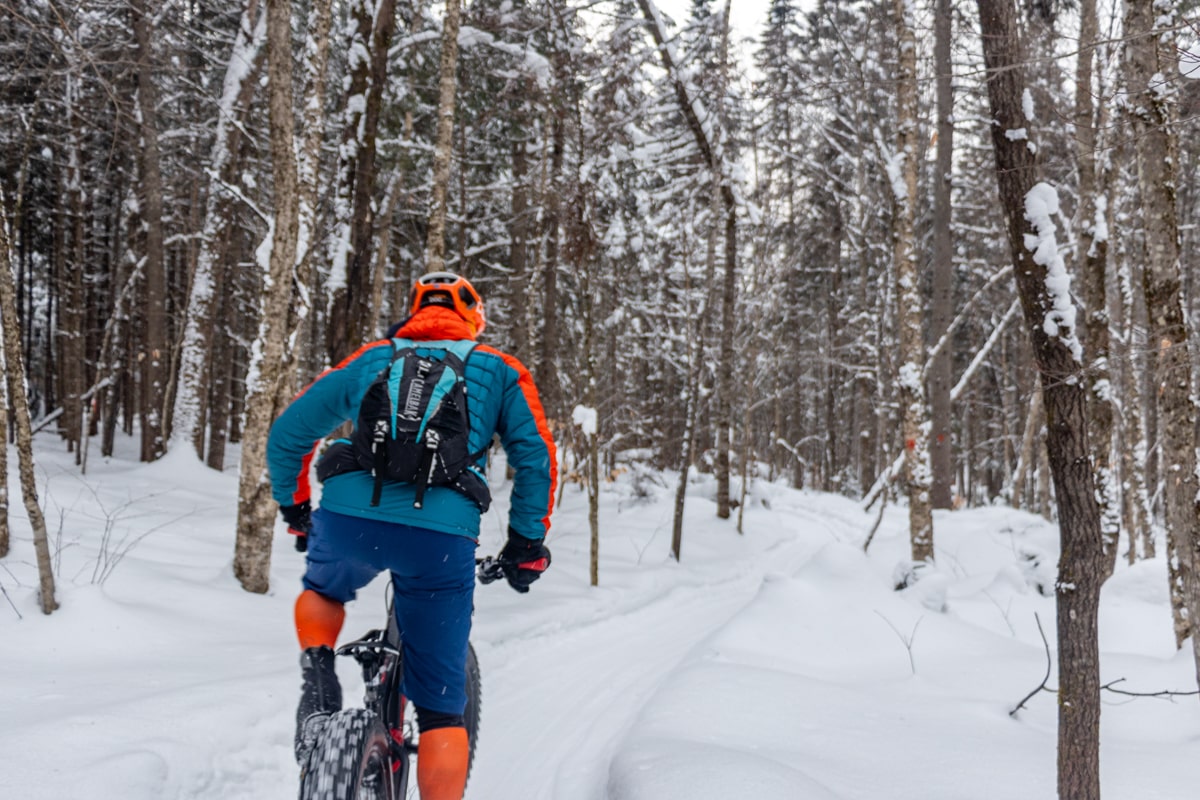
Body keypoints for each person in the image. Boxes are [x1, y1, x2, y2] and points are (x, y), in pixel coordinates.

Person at [267, 271, 557, 800]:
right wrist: (525, 545)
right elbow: (535, 459)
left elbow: (290, 431)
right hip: (440, 541)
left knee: (324, 592)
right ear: (473, 318)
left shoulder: (374, 358)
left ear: (414, 310)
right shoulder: (500, 370)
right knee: (444, 709)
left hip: (350, 520)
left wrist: (297, 507)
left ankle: (318, 671)